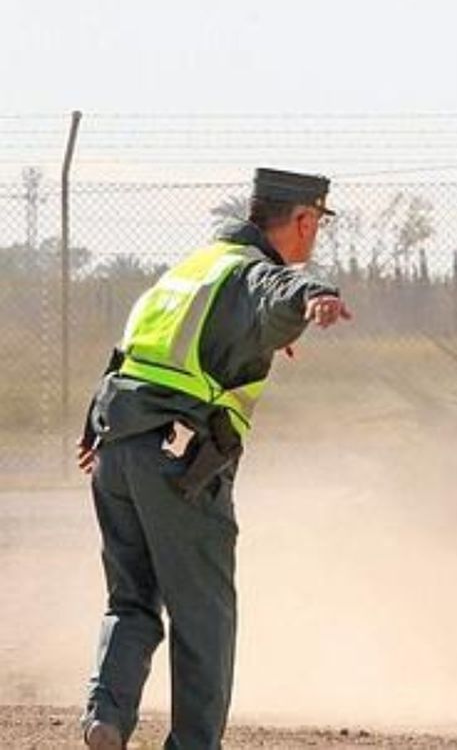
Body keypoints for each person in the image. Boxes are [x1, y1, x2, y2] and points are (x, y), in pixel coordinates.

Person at [77, 169, 352, 749]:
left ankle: (106, 716)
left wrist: (92, 431)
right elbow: (279, 289)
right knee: (203, 616)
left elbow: (127, 352)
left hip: (115, 445)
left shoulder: (191, 269)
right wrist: (317, 296)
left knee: (130, 600)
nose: (315, 238)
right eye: (317, 225)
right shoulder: (252, 271)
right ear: (304, 220)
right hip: (177, 462)